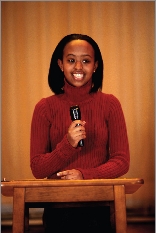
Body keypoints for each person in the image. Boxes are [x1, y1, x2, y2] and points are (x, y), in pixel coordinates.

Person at [30, 34, 130, 232]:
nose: (78, 67)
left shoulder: (110, 104)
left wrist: (84, 175)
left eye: (85, 60)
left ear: (95, 66)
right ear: (60, 65)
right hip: (57, 209)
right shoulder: (44, 107)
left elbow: (122, 161)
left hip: (101, 206)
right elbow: (37, 168)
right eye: (71, 60)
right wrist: (67, 144)